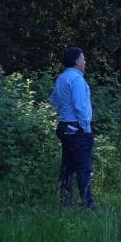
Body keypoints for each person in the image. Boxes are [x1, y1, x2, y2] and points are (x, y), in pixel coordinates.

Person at [49, 47, 97, 210]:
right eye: (83, 58)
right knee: (84, 166)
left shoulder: (62, 78)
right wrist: (86, 128)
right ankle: (88, 205)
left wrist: (63, 112)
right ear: (77, 61)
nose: (85, 61)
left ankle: (65, 201)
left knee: (68, 165)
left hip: (64, 126)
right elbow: (80, 106)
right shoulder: (77, 79)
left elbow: (53, 99)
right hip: (77, 128)